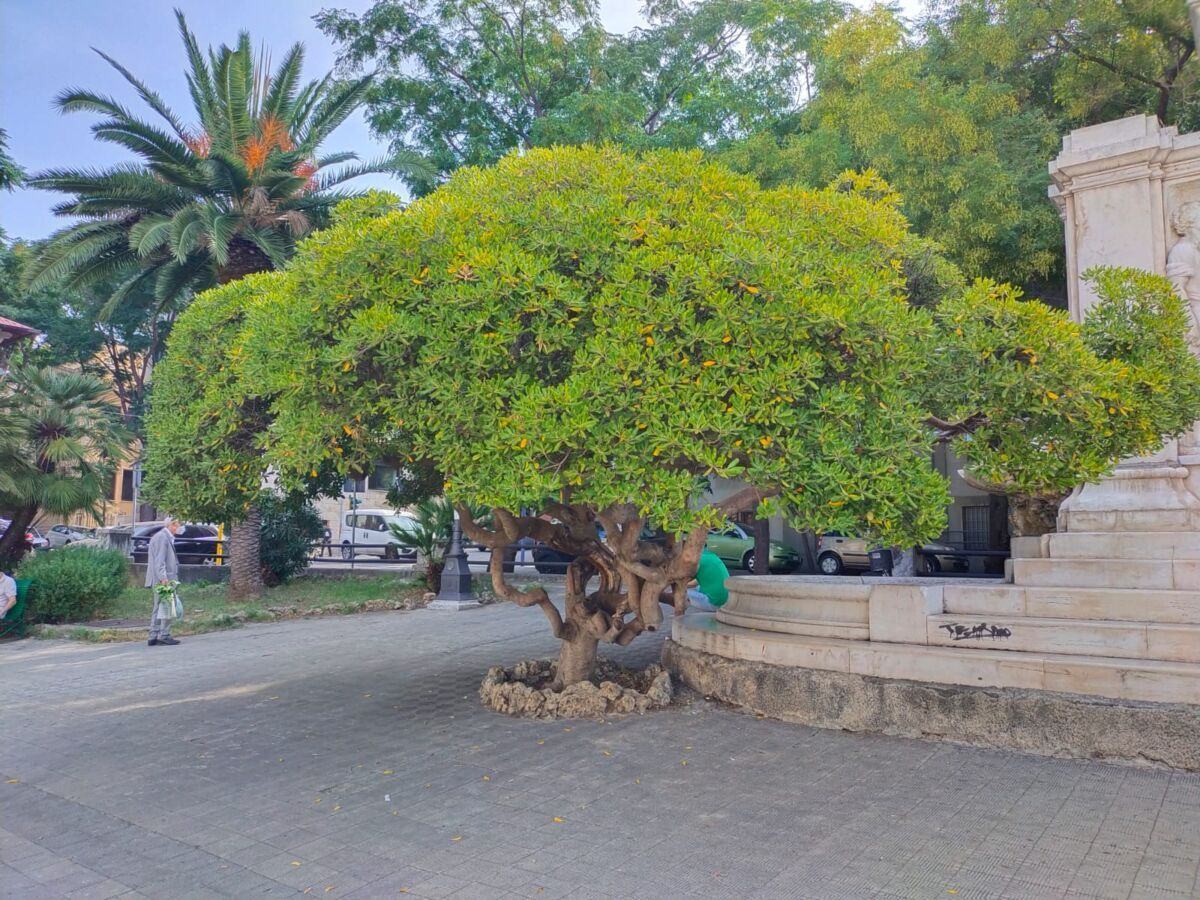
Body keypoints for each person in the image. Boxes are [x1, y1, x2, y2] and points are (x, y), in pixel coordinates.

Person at [146, 518, 182, 646]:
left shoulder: (161, 536)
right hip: (164, 579)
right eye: (178, 525)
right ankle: (164, 634)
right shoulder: (163, 537)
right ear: (172, 525)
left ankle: (153, 635)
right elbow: (159, 561)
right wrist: (164, 578)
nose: (179, 528)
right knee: (166, 606)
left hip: (159, 578)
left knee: (159, 606)